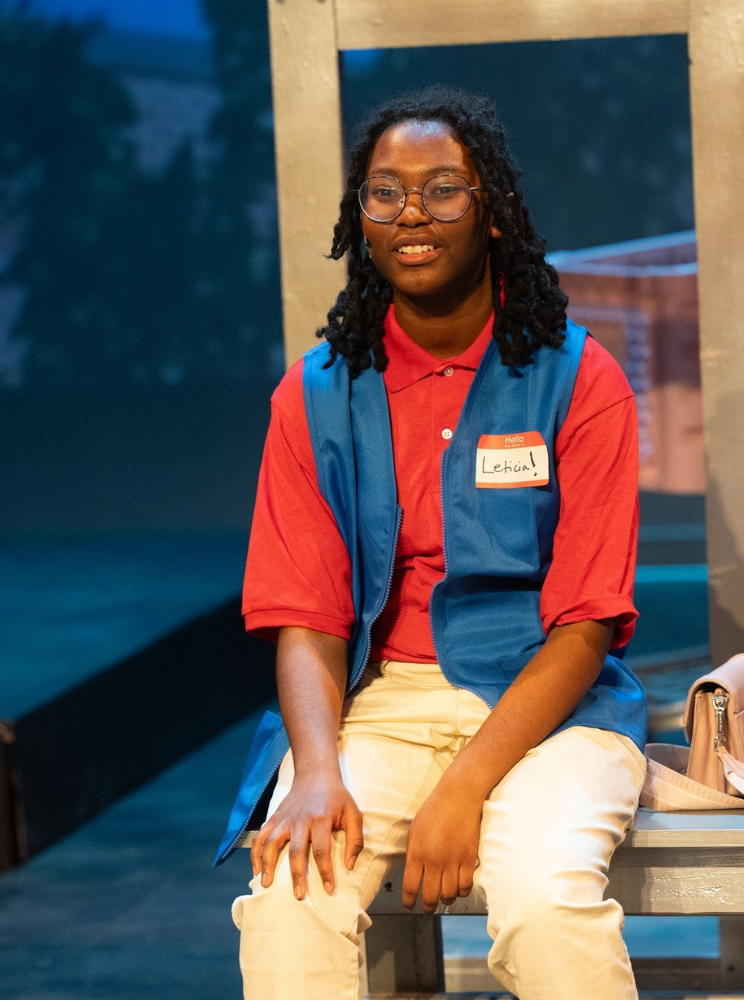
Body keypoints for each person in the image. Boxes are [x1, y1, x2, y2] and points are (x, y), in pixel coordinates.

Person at [215, 86, 648, 1000]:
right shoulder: (316, 394)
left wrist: (464, 787)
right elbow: (306, 615)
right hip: (380, 708)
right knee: (292, 893)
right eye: (386, 192)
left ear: (492, 211)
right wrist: (317, 770)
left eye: (442, 188)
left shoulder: (580, 378)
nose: (411, 213)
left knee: (545, 901)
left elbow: (587, 624)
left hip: (551, 713)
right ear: (360, 219)